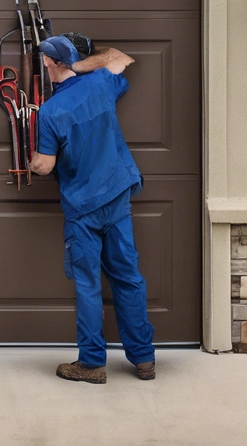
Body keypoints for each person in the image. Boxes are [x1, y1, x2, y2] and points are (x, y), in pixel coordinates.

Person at [30, 34, 155, 384]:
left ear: (49, 63)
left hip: (83, 208)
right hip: (117, 195)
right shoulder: (101, 83)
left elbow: (44, 165)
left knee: (87, 285)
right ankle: (144, 359)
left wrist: (32, 161)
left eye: (46, 59)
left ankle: (91, 364)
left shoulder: (51, 111)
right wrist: (77, 65)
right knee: (128, 277)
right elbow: (121, 57)